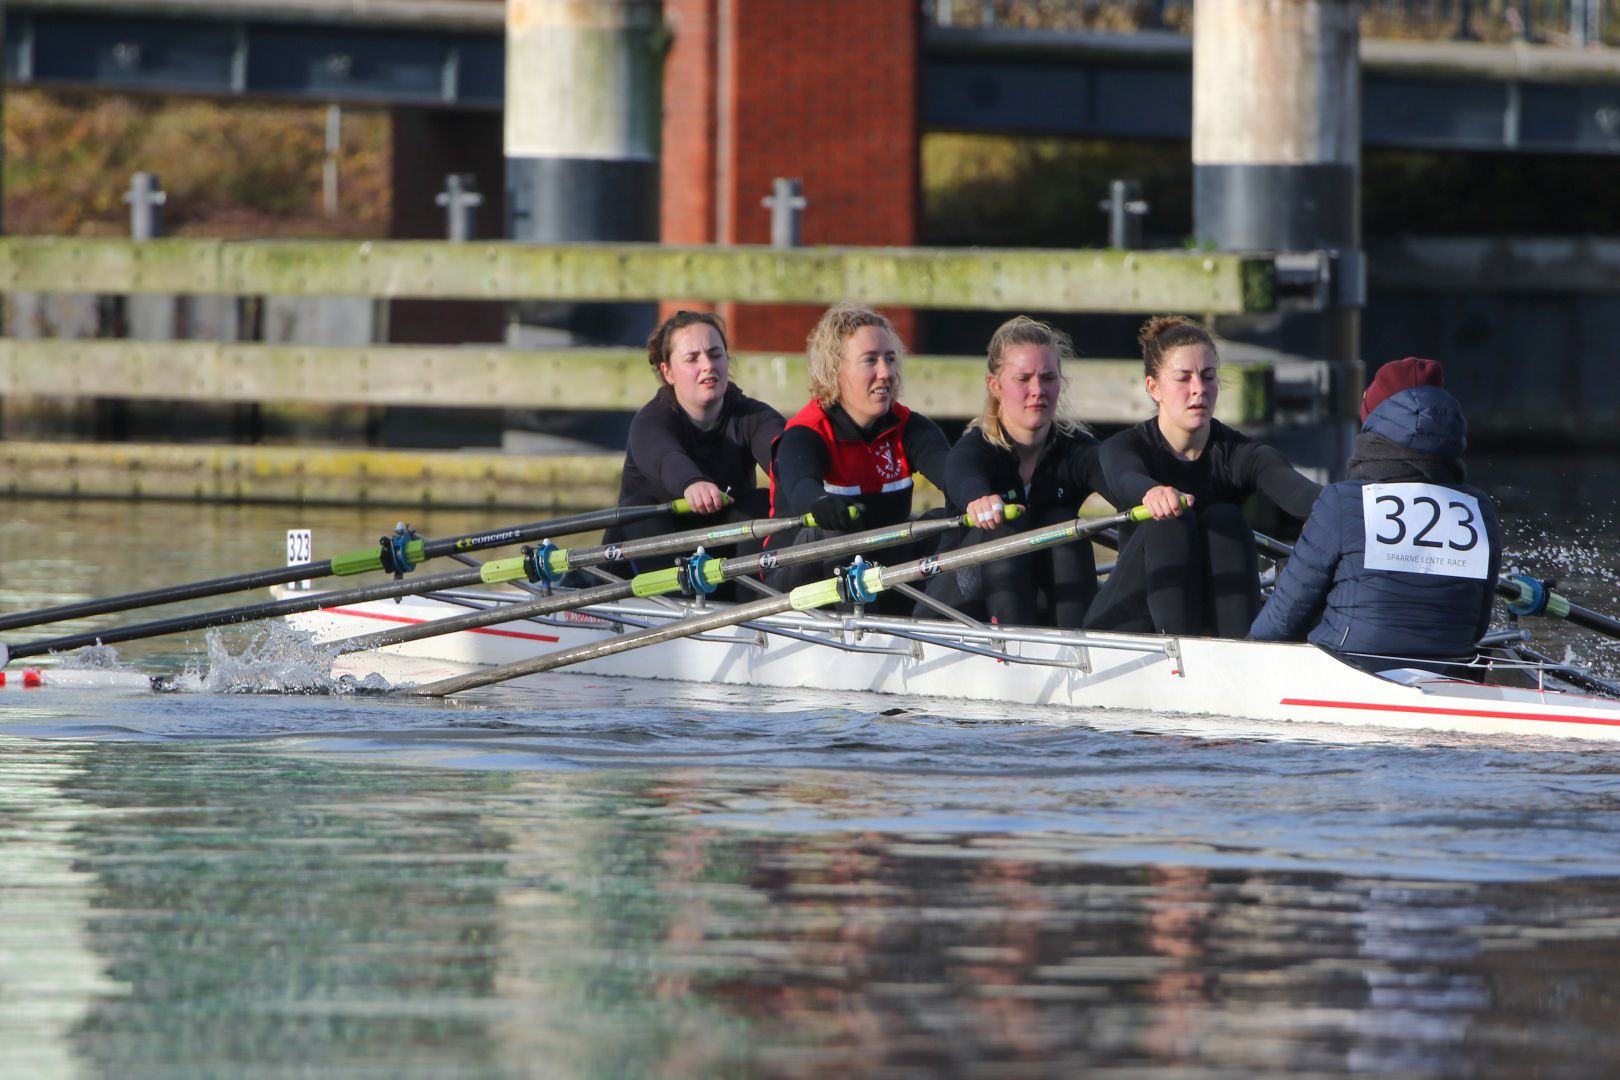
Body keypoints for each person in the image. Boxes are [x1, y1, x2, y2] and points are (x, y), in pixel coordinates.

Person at [1251, 362, 1501, 670]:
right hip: (1450, 671)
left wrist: (1243, 652)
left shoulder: (1342, 500)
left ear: (1375, 424)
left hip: (1351, 668)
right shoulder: (1478, 508)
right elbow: (1476, 628)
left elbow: (1279, 623)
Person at [1083, 315, 1320, 637]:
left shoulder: (1239, 453)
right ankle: (1181, 646)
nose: (1198, 389)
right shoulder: (1125, 447)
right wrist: (1152, 493)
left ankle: (1237, 649)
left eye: (1208, 376)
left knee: (1226, 519)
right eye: (1183, 378)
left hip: (1213, 617)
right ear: (1154, 388)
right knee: (1171, 520)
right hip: (1130, 624)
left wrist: (1337, 507)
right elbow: (1126, 478)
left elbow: (1296, 489)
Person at [919, 316, 1108, 628]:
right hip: (958, 603)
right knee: (1006, 524)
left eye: (1048, 378)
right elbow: (963, 477)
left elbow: (1119, 477)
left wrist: (1150, 493)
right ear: (995, 386)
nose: (1038, 390)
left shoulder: (1076, 450)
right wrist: (978, 499)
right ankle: (1013, 642)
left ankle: (1078, 645)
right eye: (1023, 379)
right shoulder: (975, 449)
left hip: (1035, 597)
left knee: (1062, 524)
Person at [767, 302, 950, 594]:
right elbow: (802, 487)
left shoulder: (910, 428)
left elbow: (953, 473)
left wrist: (978, 495)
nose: (886, 372)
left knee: (946, 522)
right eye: (870, 360)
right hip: (796, 579)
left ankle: (939, 614)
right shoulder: (806, 432)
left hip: (878, 569)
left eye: (890, 359)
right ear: (835, 371)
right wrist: (820, 501)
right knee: (834, 527)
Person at [602, 310, 784, 574]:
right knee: (640, 509)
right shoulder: (650, 422)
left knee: (761, 501)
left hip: (718, 559)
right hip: (645, 565)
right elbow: (668, 458)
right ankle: (670, 595)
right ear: (668, 372)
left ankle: (751, 593)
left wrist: (803, 480)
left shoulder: (753, 417)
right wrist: (691, 483)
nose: (708, 365)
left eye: (715, 354)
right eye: (692, 359)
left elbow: (783, 452)